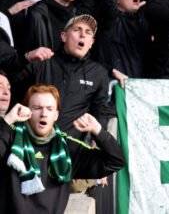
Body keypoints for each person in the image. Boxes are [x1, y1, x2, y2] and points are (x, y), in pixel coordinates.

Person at [0, 84, 125, 213]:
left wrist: (98, 130)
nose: (44, 114)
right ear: (27, 112)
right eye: (37, 108)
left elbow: (115, 161)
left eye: (49, 109)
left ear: (56, 115)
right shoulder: (10, 137)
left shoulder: (67, 147)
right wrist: (8, 120)